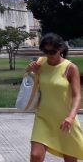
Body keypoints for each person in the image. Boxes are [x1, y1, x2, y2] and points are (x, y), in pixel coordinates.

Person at [27, 33, 83, 162]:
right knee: (35, 155)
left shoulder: (70, 68)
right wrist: (29, 70)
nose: (49, 55)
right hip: (43, 117)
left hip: (65, 120)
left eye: (52, 51)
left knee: (70, 159)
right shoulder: (41, 63)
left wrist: (71, 117)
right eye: (46, 51)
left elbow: (77, 96)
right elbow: (28, 81)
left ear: (61, 49)